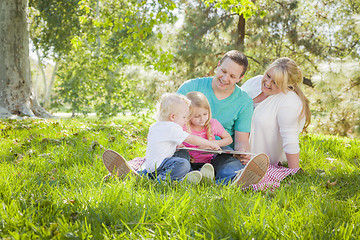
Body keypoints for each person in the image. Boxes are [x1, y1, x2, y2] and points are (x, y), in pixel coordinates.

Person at [177, 50, 267, 185]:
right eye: (223, 71)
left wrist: (243, 151)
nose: (225, 78)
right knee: (178, 159)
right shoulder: (191, 87)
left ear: (240, 78)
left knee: (230, 164)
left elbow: (241, 139)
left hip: (218, 151)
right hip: (187, 146)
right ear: (218, 65)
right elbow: (170, 123)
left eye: (232, 76)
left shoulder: (244, 101)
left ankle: (227, 177)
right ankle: (189, 175)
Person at [103, 93, 221, 184]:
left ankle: (141, 175)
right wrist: (210, 143)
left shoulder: (155, 126)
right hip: (161, 165)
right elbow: (192, 139)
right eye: (184, 117)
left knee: (173, 161)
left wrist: (175, 145)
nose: (185, 120)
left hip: (150, 165)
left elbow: (157, 143)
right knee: (183, 163)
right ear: (173, 117)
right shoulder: (172, 127)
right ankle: (162, 181)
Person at [241, 57, 311, 169]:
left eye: (276, 83)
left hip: (256, 159)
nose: (268, 83)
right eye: (268, 76)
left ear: (288, 86)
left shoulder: (290, 101)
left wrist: (294, 171)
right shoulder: (254, 82)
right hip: (232, 148)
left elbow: (290, 139)